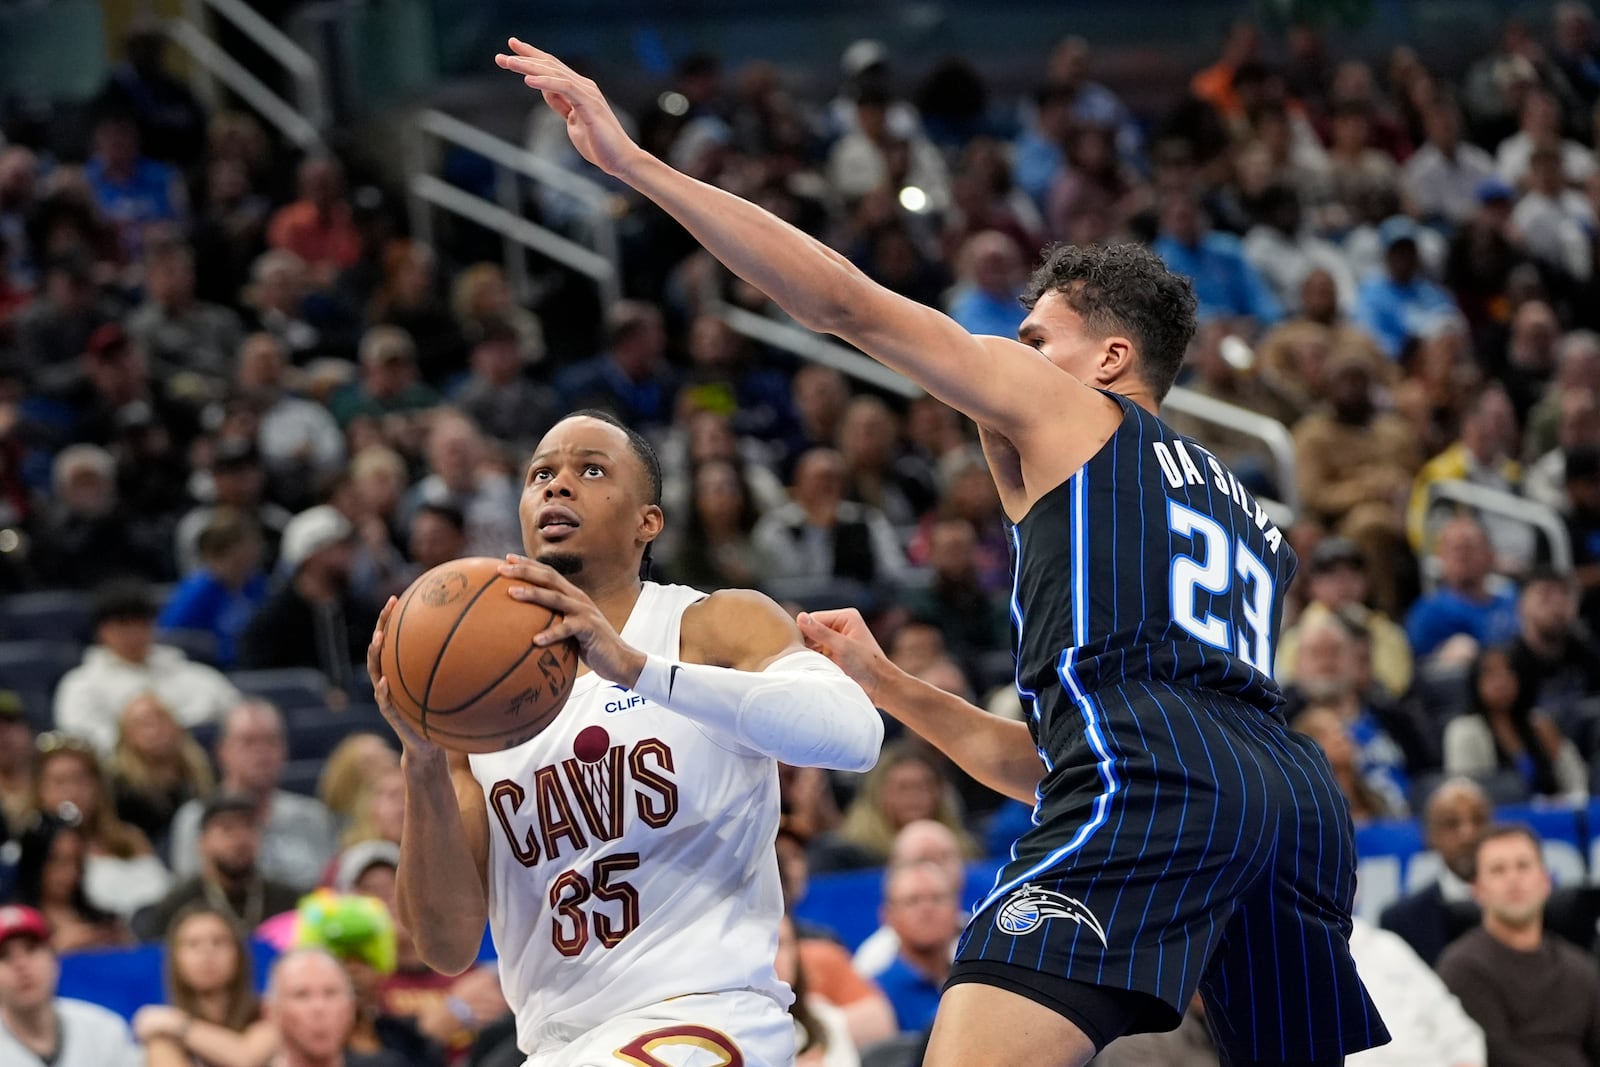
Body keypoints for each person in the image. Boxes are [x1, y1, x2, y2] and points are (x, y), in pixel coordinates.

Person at [495, 40, 1387, 1066]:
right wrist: (886, 682)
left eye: (1031, 338)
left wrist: (635, 167)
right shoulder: (1245, 518)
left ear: (1108, 359)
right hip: (1291, 802)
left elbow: (840, 304)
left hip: (1168, 788)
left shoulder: (1074, 409)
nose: (1004, 362)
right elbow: (1072, 758)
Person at [367, 409, 883, 1066]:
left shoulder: (712, 625)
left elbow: (855, 733)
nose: (557, 485)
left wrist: (636, 668)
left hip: (708, 1016)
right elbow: (444, 944)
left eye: (589, 469)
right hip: (561, 1045)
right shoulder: (482, 715)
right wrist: (423, 758)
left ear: (648, 521)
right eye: (540, 474)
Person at [1436, 825, 1600, 1066]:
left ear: (1546, 881)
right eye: (1498, 870)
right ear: (1478, 890)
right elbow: (1493, 1055)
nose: (1513, 879)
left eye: (1523, 865)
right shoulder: (1462, 967)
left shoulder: (1578, 967)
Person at [168, 701, 339, 892]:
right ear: (223, 752)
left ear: (285, 750)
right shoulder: (196, 818)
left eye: (271, 741)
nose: (261, 752)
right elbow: (190, 898)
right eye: (248, 742)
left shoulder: (312, 817)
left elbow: (328, 890)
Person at [134, 792, 303, 941]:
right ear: (202, 842)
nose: (240, 839)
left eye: (249, 827)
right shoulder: (178, 905)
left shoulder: (288, 901)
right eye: (227, 829)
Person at [132, 903, 279, 1067]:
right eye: (193, 944)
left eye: (218, 942)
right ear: (175, 960)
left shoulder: (268, 1013)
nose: (207, 953)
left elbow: (246, 1058)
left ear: (239, 955)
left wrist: (180, 1026)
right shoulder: (164, 1036)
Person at [0, 905, 143, 1067]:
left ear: (54, 958)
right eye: (4, 956)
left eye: (32, 949)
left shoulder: (104, 1030)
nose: (21, 965)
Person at [1379, 778, 1492, 966]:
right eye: (1451, 824)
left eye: (1478, 820)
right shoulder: (1400, 921)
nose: (1468, 834)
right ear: (1430, 836)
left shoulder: (1528, 904)